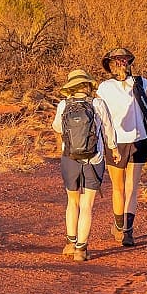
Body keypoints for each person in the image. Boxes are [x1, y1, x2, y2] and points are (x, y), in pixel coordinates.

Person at [96, 48, 147, 247]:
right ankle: (127, 232)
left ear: (110, 65)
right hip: (138, 139)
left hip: (116, 141)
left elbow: (101, 115)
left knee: (118, 188)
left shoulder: (104, 87)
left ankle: (120, 228)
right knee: (131, 189)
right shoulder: (141, 82)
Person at [51, 69, 105, 262]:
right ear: (88, 85)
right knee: (87, 204)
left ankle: (70, 243)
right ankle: (81, 250)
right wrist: (113, 151)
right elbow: (107, 130)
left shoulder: (63, 105)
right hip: (94, 158)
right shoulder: (97, 103)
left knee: (72, 202)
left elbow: (57, 127)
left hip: (69, 158)